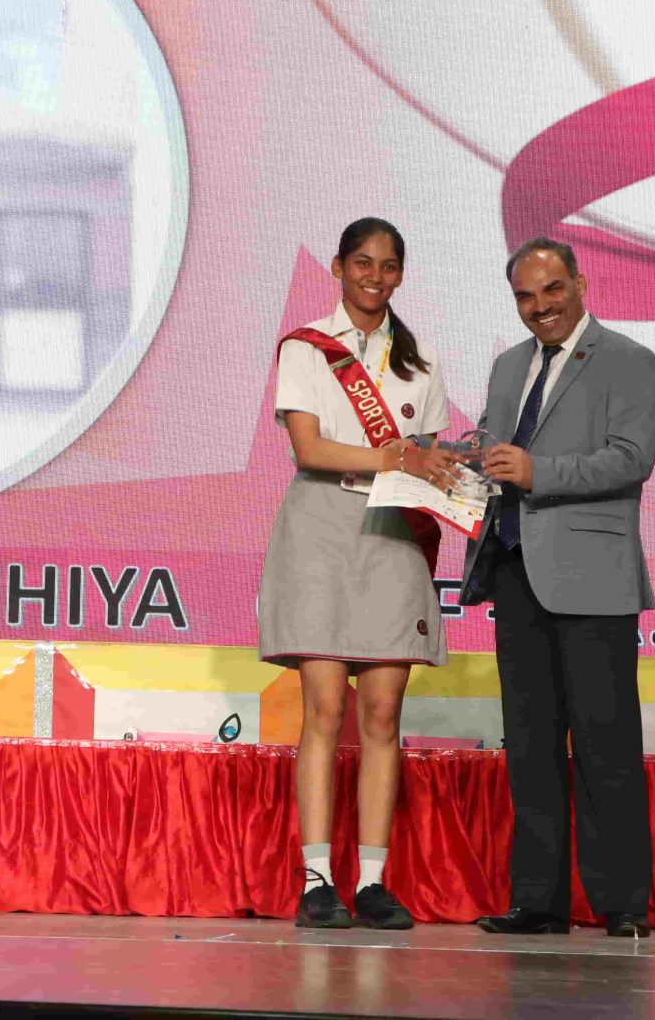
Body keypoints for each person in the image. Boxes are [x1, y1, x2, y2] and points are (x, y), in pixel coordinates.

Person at [259, 217, 466, 931]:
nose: (375, 276)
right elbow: (310, 450)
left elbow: (426, 460)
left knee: (382, 715)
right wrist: (393, 457)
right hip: (321, 529)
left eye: (388, 265)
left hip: (390, 534)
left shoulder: (422, 360)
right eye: (362, 263)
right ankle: (318, 879)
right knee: (324, 711)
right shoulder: (307, 346)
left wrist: (455, 478)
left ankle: (373, 881)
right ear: (339, 267)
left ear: (401, 273)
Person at [459, 236, 655, 938]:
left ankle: (622, 902)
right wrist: (462, 457)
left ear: (580, 283)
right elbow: (495, 445)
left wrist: (536, 471)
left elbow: (632, 458)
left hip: (594, 577)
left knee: (606, 745)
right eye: (526, 296)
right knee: (529, 746)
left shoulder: (628, 359)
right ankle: (538, 900)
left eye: (552, 289)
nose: (541, 306)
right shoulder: (507, 364)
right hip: (514, 571)